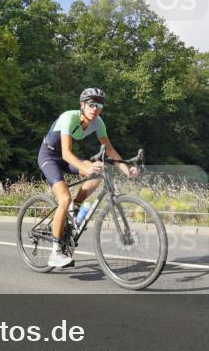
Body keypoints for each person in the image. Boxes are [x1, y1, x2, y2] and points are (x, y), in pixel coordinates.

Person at [37, 88, 138, 268]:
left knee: (99, 173)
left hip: (65, 157)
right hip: (49, 157)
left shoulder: (98, 122)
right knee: (64, 197)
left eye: (99, 105)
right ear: (82, 105)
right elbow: (67, 154)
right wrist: (86, 167)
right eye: (91, 104)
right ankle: (55, 252)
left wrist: (125, 169)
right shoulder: (69, 117)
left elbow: (109, 150)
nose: (95, 108)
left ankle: (74, 208)